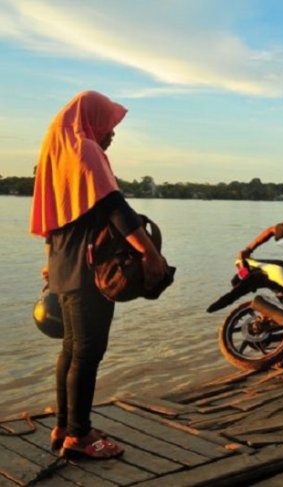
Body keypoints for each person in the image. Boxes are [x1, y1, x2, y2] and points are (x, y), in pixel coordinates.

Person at [30, 91, 168, 459]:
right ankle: (80, 436)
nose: (112, 133)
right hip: (90, 271)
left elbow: (52, 222)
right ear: (91, 120)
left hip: (64, 267)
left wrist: (50, 265)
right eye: (108, 124)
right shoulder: (85, 150)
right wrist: (149, 253)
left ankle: (64, 426)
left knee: (72, 350)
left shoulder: (56, 157)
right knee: (88, 353)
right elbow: (114, 208)